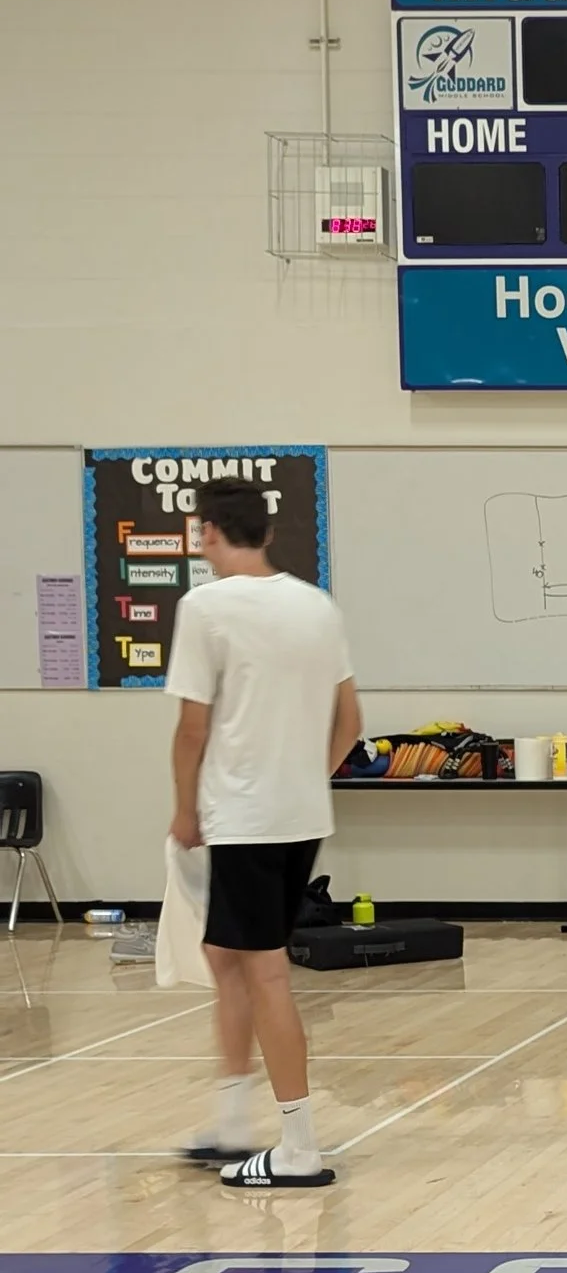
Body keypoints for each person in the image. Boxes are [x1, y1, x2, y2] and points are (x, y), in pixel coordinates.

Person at [166, 476, 360, 1190]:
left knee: (266, 971)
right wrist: (305, 780)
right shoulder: (317, 606)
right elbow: (350, 724)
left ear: (208, 532)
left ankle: (300, 1145)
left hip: (243, 818)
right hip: (300, 816)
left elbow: (192, 728)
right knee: (227, 956)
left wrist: (185, 810)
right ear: (269, 533)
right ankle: (228, 1124)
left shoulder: (206, 607)